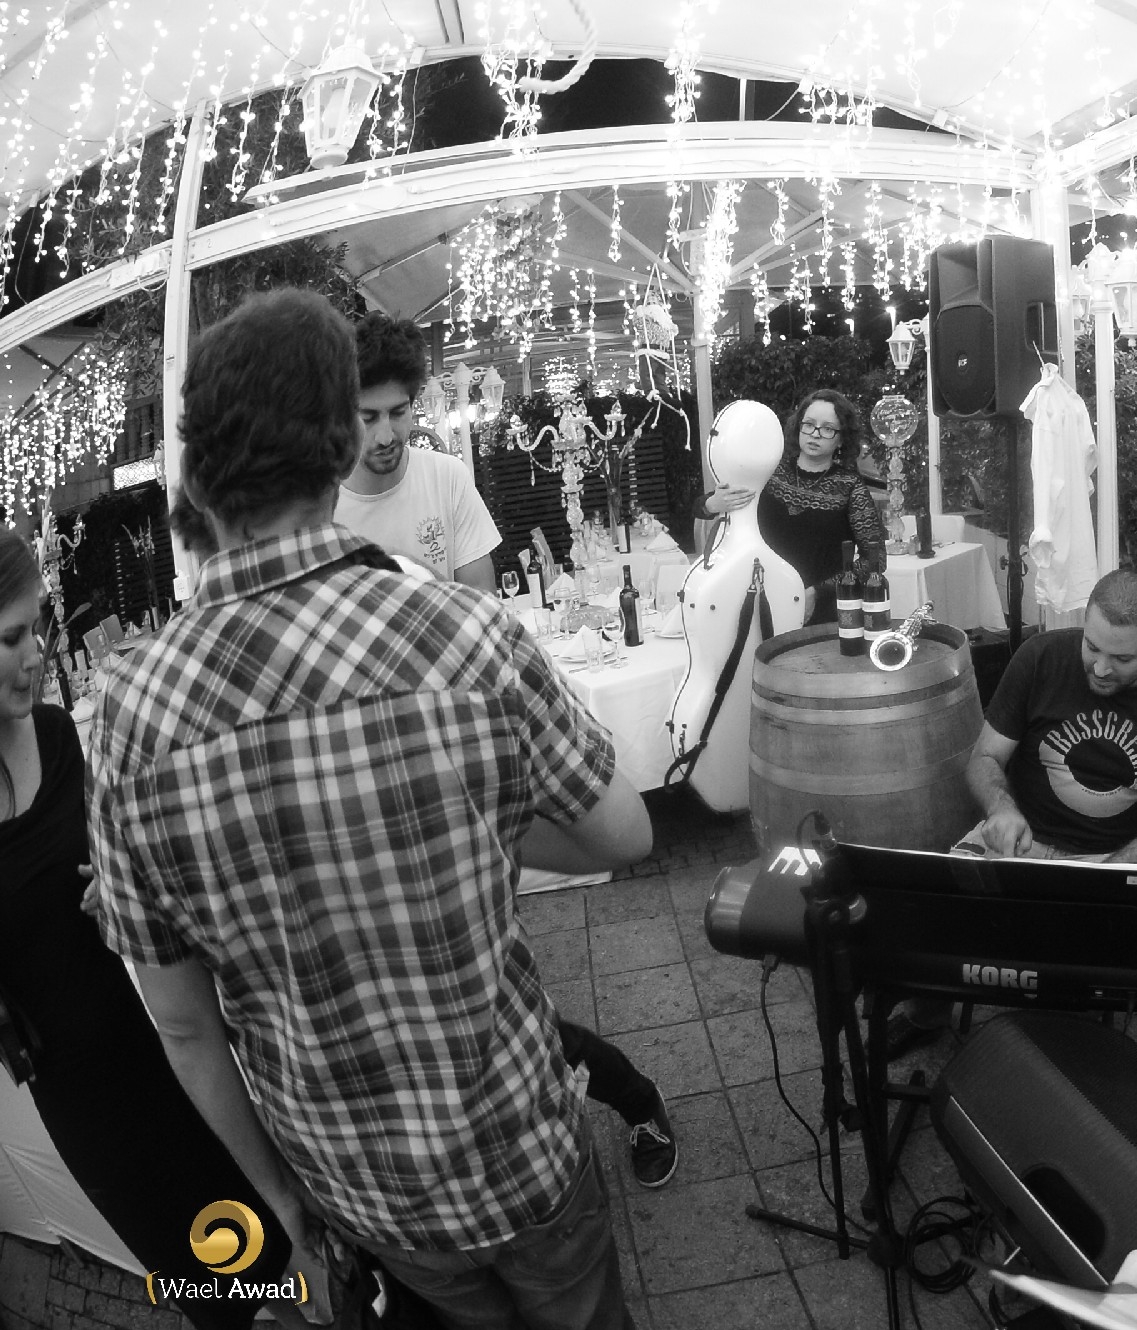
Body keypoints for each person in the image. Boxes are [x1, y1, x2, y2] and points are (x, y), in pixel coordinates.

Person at [86, 289, 655, 1330]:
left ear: (201, 470)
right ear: (339, 445)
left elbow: (184, 1024)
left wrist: (280, 1201)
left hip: (354, 1184)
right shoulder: (462, 635)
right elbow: (626, 832)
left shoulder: (130, 714)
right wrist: (474, 811)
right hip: (514, 1144)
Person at [182, 485, 681, 1189]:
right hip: (355, 1032)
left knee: (509, 1030)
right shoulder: (202, 697)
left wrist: (486, 829)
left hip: (437, 929)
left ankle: (633, 1098)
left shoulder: (409, 609)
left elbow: (620, 832)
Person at [0, 532, 306, 1329]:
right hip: (86, 1104)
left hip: (168, 1043)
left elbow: (115, 856)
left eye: (37, 629)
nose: (34, 656)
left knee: (281, 1249)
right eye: (10, 638)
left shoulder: (57, 737)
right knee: (213, 1285)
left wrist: (118, 882)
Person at [884, 570, 1137, 1058]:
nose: (1100, 668)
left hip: (1112, 858)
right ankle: (926, 1015)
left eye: (1122, 658)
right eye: (1092, 647)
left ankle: (1079, 1042)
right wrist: (1001, 808)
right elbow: (985, 757)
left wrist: (1110, 873)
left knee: (1089, 977)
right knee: (937, 919)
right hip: (1019, 842)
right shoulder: (1041, 657)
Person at [335, 313, 500, 589]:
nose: (386, 437)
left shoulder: (447, 478)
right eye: (368, 418)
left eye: (398, 413)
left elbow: (484, 601)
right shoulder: (320, 501)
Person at [698, 389, 886, 625]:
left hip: (822, 611)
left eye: (827, 429)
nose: (815, 434)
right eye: (809, 424)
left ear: (841, 438)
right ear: (798, 427)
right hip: (760, 601)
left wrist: (818, 591)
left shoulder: (850, 487)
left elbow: (876, 559)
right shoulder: (769, 472)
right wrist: (712, 504)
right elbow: (701, 506)